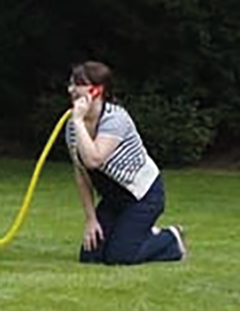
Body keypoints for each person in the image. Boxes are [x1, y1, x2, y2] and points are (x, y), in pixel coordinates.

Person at [64, 61, 186, 264]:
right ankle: (139, 233)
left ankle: (170, 240)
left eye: (77, 84)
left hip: (143, 196)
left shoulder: (115, 119)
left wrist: (78, 121)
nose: (71, 89)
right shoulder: (72, 127)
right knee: (90, 256)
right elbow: (82, 174)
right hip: (113, 199)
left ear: (96, 90)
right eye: (70, 84)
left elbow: (94, 159)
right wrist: (91, 219)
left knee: (119, 257)